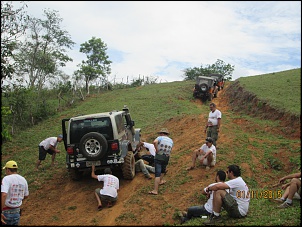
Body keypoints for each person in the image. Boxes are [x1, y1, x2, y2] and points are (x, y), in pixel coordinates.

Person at [1, 160, 29, 225]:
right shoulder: (23, 179)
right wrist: (17, 201)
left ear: (8, 170)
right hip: (16, 212)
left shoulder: (6, 179)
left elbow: (4, 195)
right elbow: (26, 195)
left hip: (6, 212)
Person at [148, 128, 174, 195]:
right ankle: (161, 181)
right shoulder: (171, 140)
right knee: (163, 170)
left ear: (162, 133)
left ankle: (155, 190)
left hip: (159, 156)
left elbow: (155, 142)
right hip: (166, 157)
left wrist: (157, 150)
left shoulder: (160, 137)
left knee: (157, 173)